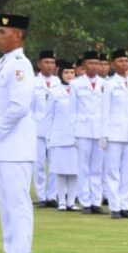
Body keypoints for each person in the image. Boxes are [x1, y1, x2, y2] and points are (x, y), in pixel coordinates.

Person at [0, 14, 37, 253]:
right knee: (6, 207)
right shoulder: (2, 63)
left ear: (17, 35)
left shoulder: (20, 65)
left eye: (2, 32)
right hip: (4, 148)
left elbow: (19, 106)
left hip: (16, 147)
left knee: (17, 205)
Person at [101, 49, 128, 219]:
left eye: (126, 61)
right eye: (120, 61)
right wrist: (104, 134)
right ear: (113, 64)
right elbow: (105, 111)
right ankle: (115, 206)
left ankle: (126, 206)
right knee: (112, 170)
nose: (124, 64)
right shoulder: (109, 84)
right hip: (114, 132)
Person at [70, 50, 106, 214]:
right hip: (82, 129)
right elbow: (72, 111)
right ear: (84, 65)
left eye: (97, 63)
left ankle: (96, 202)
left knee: (97, 168)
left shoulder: (105, 84)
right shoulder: (76, 84)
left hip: (99, 130)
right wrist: (73, 134)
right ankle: (85, 201)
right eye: (91, 63)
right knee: (83, 167)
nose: (94, 66)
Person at [47, 61, 79, 211]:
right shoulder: (54, 92)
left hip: (76, 136)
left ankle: (71, 201)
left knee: (74, 171)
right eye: (66, 72)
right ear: (60, 74)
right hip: (59, 136)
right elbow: (49, 116)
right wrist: (49, 137)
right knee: (60, 171)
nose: (69, 75)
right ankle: (61, 201)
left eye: (72, 72)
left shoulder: (79, 90)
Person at [31, 51, 59, 208]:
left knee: (54, 164)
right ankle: (41, 196)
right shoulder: (33, 82)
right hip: (38, 128)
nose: (49, 65)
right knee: (39, 164)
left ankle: (52, 195)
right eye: (46, 62)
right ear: (39, 64)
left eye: (52, 62)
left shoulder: (59, 82)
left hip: (55, 129)